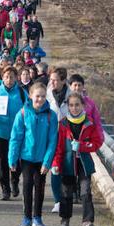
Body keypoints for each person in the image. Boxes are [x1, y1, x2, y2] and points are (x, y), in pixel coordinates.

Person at [9, 83, 58, 226]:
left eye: (43, 96)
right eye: (37, 96)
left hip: (42, 159)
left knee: (39, 187)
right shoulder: (23, 113)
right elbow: (15, 138)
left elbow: (52, 141)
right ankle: (26, 218)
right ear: (30, 96)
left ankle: (37, 217)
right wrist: (12, 159)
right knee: (27, 185)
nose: (40, 99)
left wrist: (47, 162)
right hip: (26, 158)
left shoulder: (51, 116)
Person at [52, 93, 102, 226]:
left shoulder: (89, 122)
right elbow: (59, 147)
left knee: (85, 191)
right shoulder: (62, 123)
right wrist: (56, 163)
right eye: (71, 105)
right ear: (68, 106)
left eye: (77, 105)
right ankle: (65, 218)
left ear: (83, 106)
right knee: (66, 192)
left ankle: (87, 221)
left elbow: (97, 142)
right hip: (67, 163)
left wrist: (82, 146)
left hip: (84, 163)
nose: (74, 108)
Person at [0, 66, 26, 201]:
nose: (9, 79)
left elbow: (28, 110)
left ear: (16, 78)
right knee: (1, 162)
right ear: (2, 78)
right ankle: (5, 189)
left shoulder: (21, 93)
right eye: (6, 77)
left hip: (17, 133)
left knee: (17, 161)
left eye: (12, 77)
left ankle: (14, 181)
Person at [46, 67, 69, 213]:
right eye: (51, 79)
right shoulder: (47, 95)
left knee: (65, 170)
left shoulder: (72, 96)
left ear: (63, 81)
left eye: (55, 80)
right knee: (54, 169)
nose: (52, 82)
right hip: (52, 136)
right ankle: (57, 201)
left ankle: (66, 199)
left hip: (67, 137)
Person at [68, 74, 104, 146]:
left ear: (83, 86)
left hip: (85, 141)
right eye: (75, 85)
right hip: (68, 138)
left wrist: (100, 137)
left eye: (79, 85)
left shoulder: (89, 103)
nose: (77, 88)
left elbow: (97, 121)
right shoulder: (65, 101)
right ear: (70, 86)